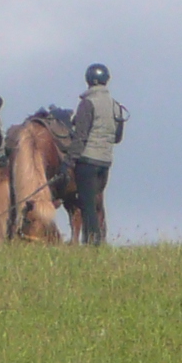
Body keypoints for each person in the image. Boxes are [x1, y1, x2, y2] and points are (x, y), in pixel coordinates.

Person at [70, 63, 127, 247]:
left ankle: (92, 243)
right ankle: (98, 240)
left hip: (87, 161)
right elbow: (117, 137)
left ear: (88, 80)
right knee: (96, 202)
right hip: (105, 162)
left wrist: (68, 162)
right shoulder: (116, 106)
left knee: (86, 205)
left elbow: (80, 137)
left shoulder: (88, 103)